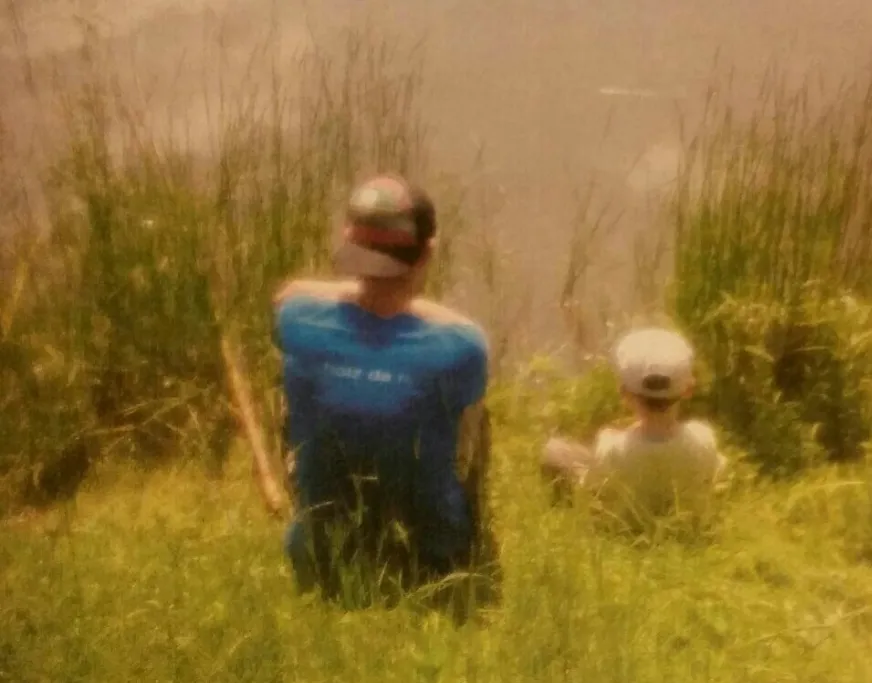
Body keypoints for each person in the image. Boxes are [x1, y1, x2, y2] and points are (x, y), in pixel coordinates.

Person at [272, 173, 499, 616]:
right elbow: (467, 450)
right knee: (472, 423)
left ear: (347, 243)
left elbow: (289, 293)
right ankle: (467, 534)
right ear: (427, 253)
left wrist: (351, 291)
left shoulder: (295, 320)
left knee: (297, 400)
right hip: (430, 564)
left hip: (321, 560)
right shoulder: (463, 345)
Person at [541, 327, 726, 529]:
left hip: (625, 527)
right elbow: (716, 475)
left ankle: (562, 520)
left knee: (554, 449)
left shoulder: (611, 446)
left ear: (624, 393)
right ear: (688, 390)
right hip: (685, 524)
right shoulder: (703, 438)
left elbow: (597, 489)